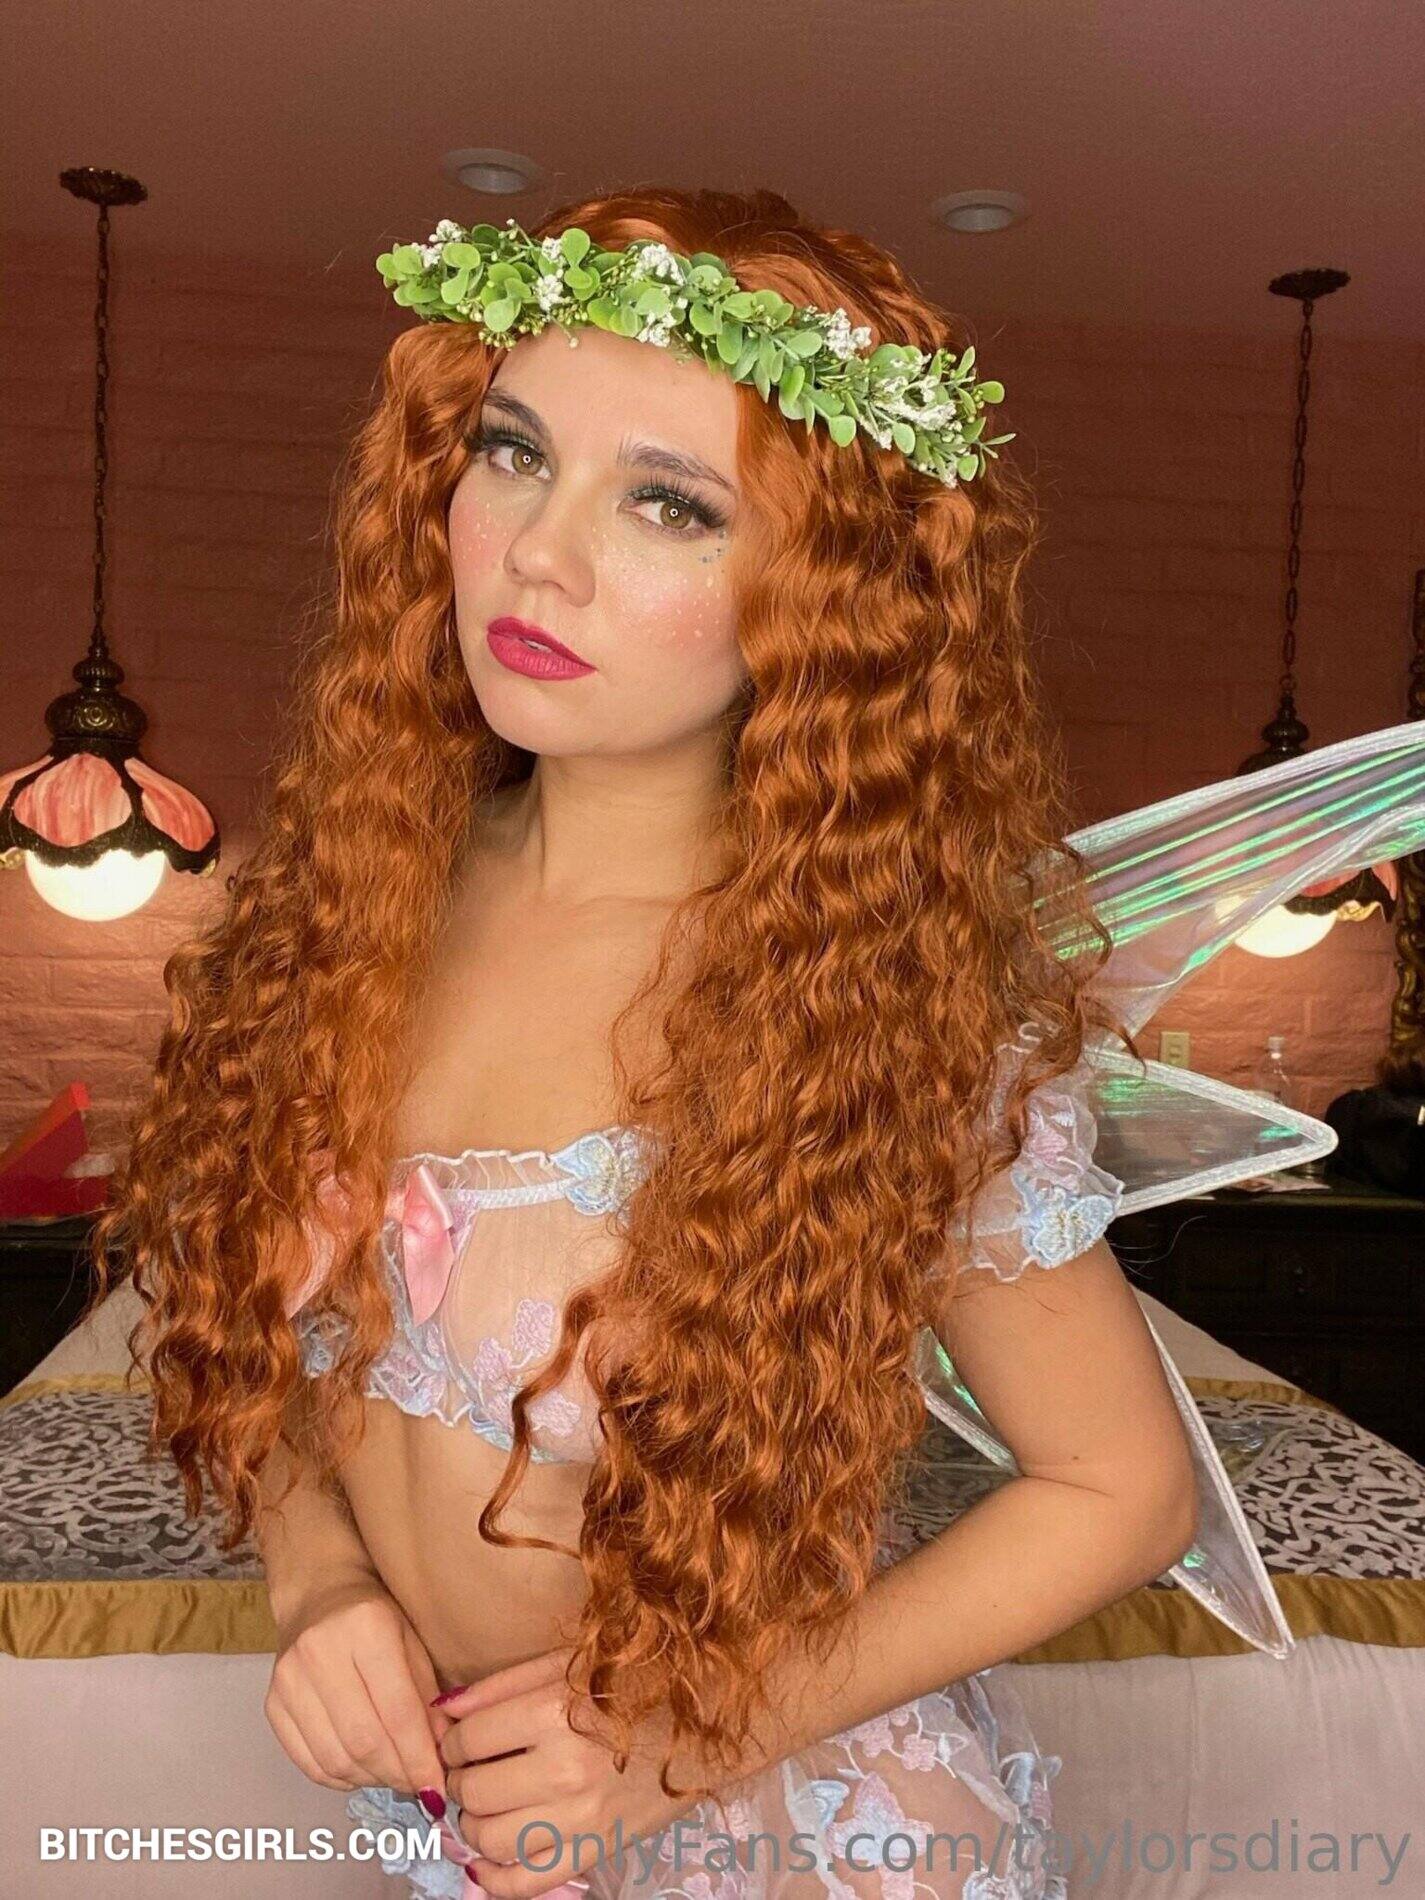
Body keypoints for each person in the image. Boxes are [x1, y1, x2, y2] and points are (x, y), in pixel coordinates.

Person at [86, 185, 1425, 1900]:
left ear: (819, 593)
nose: (540, 551)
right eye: (513, 452)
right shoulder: (353, 905)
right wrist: (318, 1580)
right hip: (470, 1821)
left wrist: (680, 1742)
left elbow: (1119, 1488)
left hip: (780, 1831)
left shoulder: (857, 1001)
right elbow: (248, 1328)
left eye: (669, 503)